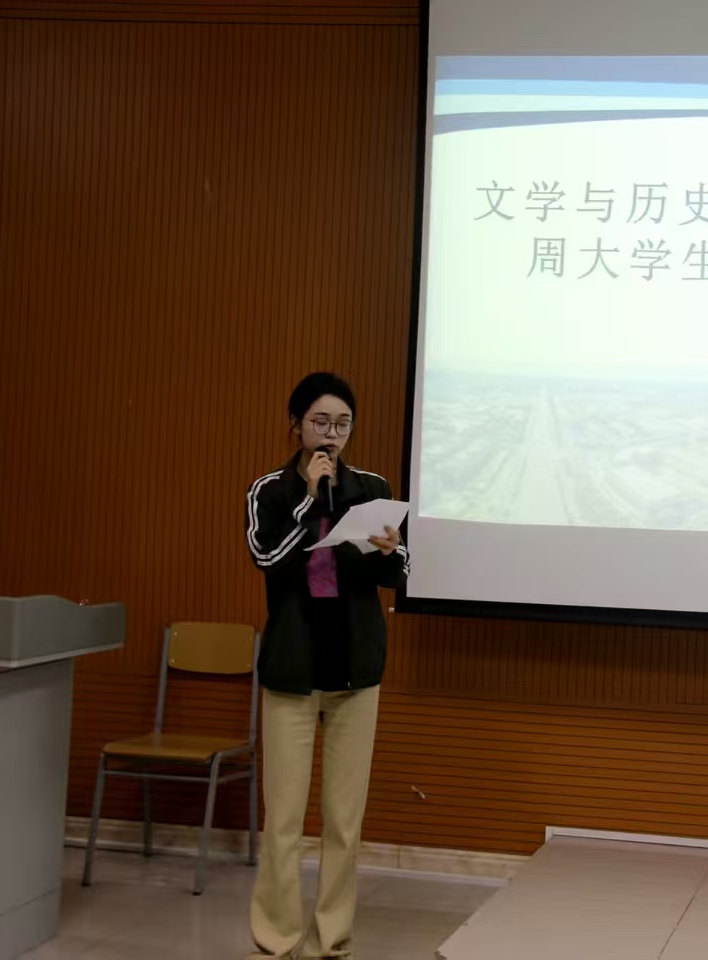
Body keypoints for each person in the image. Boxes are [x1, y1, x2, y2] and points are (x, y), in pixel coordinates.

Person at [244, 372, 408, 959]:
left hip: (355, 671)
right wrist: (311, 503)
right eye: (320, 422)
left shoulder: (371, 488)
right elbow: (267, 556)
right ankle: (276, 940)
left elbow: (397, 571)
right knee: (284, 821)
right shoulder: (271, 491)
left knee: (344, 823)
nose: (332, 435)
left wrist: (390, 551)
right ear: (296, 425)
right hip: (293, 671)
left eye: (342, 424)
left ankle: (331, 942)